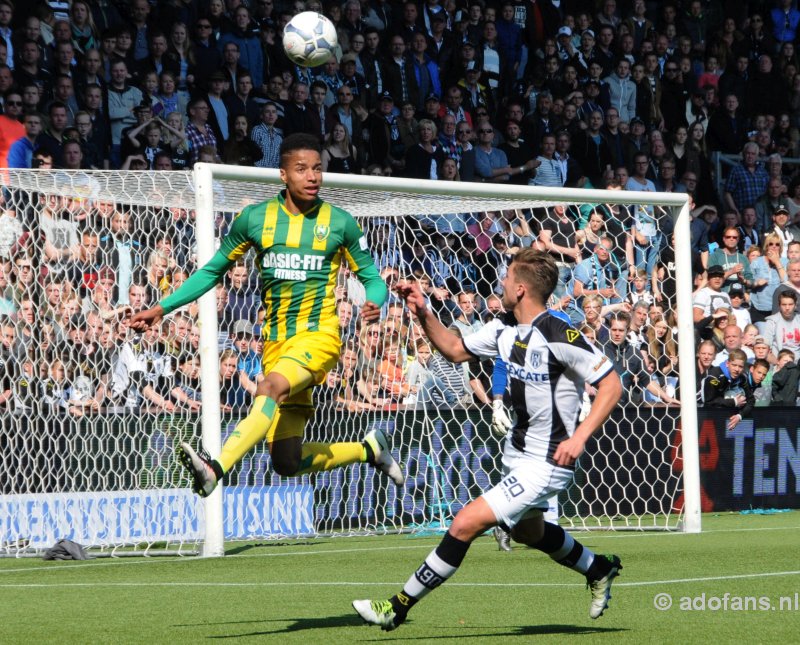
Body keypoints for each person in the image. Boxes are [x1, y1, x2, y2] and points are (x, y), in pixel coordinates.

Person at [353, 248, 623, 631]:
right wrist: (423, 310)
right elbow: (454, 348)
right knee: (530, 532)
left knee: (465, 523)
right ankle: (598, 567)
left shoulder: (560, 333)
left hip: (550, 460)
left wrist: (579, 438)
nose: (499, 282)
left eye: (506, 277)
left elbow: (611, 385)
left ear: (519, 289)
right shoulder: (502, 327)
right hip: (518, 453)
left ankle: (396, 606)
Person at [130, 133, 403, 496]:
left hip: (319, 337)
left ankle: (215, 468)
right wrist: (162, 308)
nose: (312, 177)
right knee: (286, 462)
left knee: (268, 387)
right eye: (302, 169)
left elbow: (371, 275)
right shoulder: (255, 219)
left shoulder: (340, 222)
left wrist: (375, 298)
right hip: (275, 345)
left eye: (318, 169)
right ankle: (369, 450)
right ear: (283, 174)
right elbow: (212, 271)